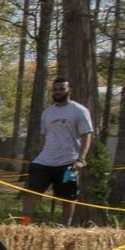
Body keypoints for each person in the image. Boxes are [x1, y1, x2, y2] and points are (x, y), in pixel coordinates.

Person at [23, 77, 92, 226]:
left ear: (69, 90)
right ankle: (25, 225)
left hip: (69, 162)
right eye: (56, 89)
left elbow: (87, 135)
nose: (58, 92)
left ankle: (65, 226)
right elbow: (43, 135)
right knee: (31, 192)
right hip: (45, 161)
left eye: (62, 89)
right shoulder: (47, 112)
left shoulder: (79, 111)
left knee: (69, 197)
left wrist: (81, 159)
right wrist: (42, 152)